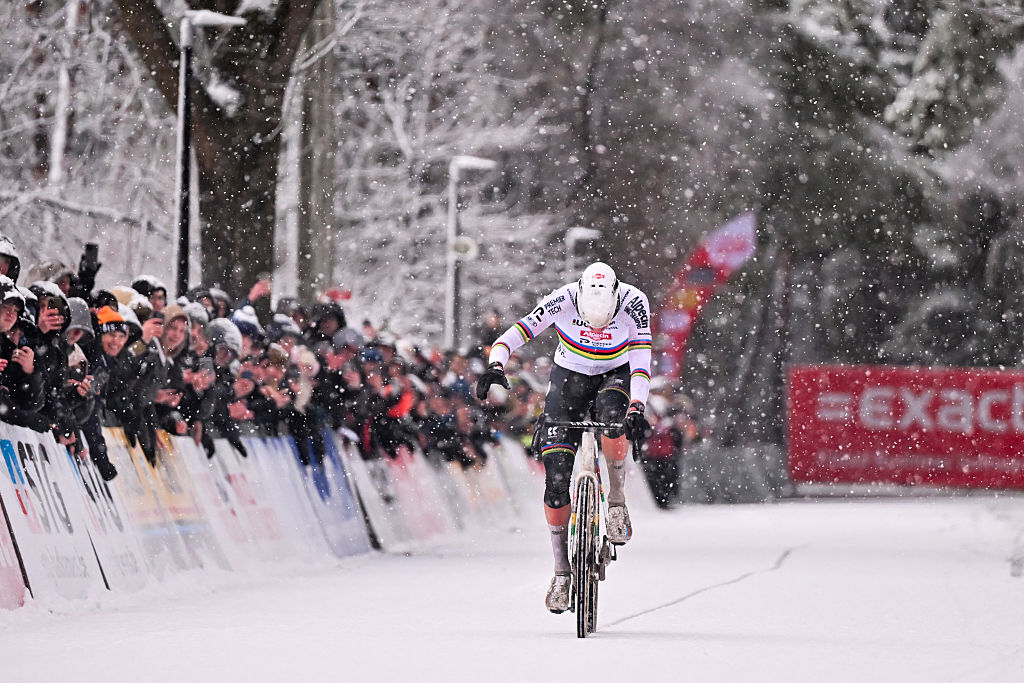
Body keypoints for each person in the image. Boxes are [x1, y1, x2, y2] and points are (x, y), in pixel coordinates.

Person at [476, 261, 653, 614]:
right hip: (569, 380)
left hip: (614, 375)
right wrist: (495, 364)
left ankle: (616, 501)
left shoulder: (635, 302)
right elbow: (516, 333)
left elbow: (641, 363)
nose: (595, 328)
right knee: (556, 482)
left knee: (614, 417)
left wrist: (637, 406)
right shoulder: (563, 299)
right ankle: (561, 572)